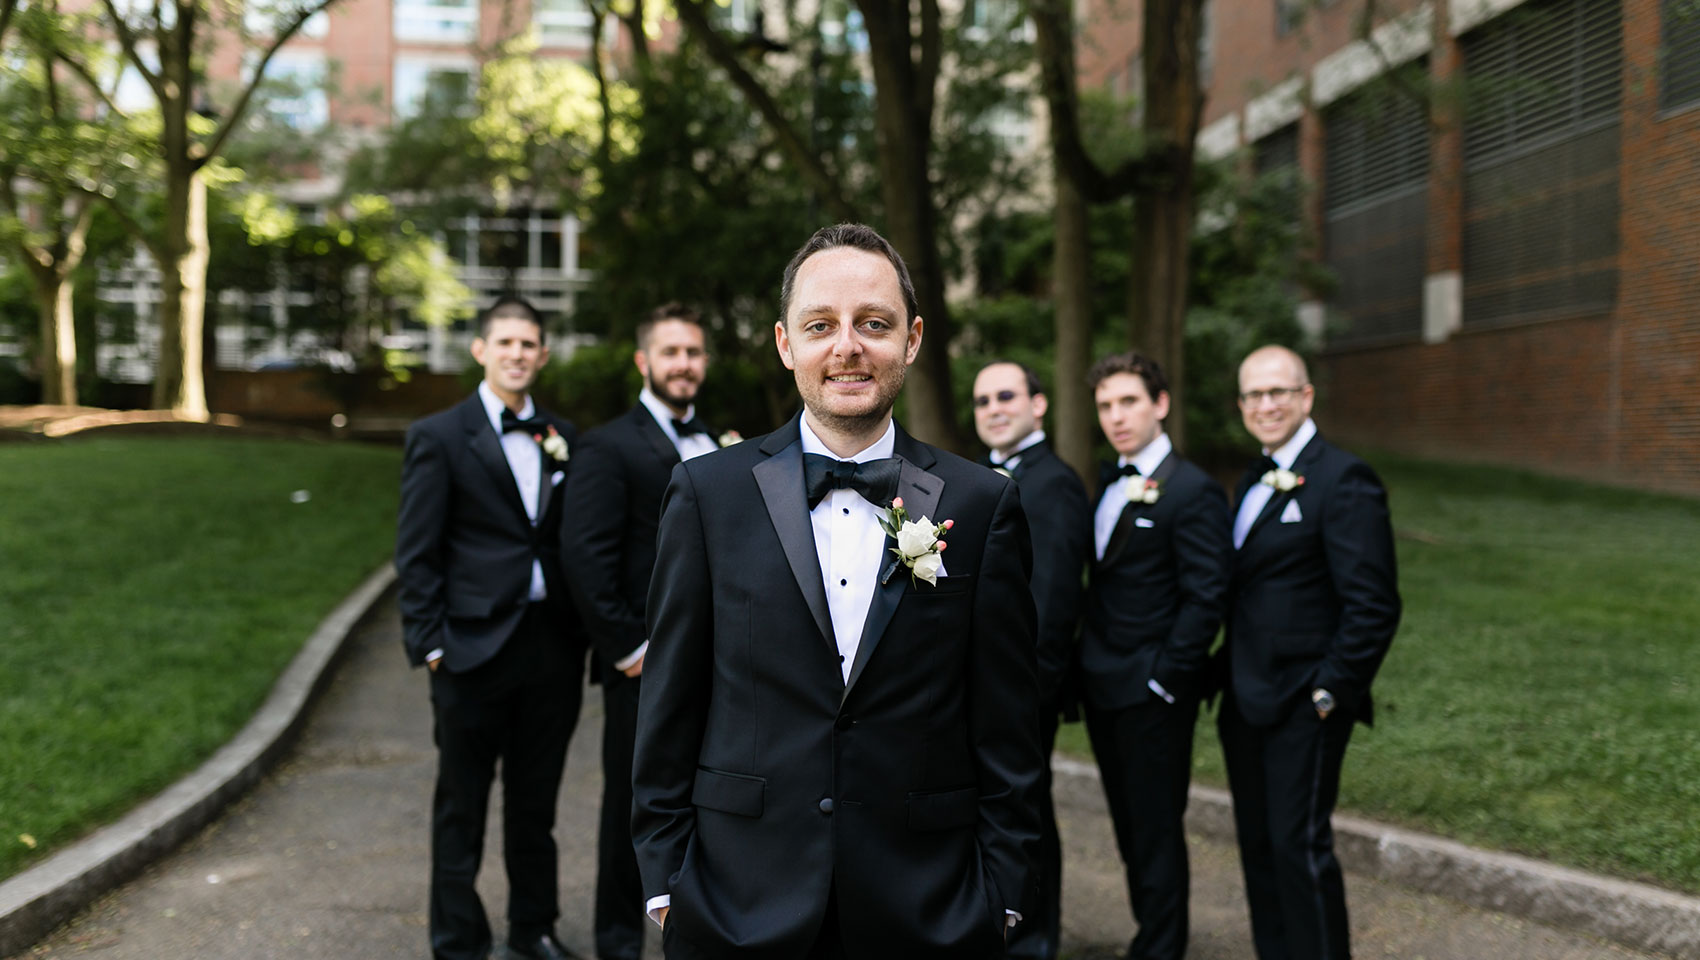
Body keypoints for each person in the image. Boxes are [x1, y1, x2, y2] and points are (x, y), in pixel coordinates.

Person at [631, 223, 1043, 959]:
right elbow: (669, 706)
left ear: (911, 340)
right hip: (736, 906)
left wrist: (1003, 896)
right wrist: (668, 886)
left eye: (873, 324)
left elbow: (1008, 727)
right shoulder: (706, 495)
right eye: (821, 325)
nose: (847, 346)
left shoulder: (981, 505)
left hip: (930, 912)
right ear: (787, 344)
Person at [394, 295, 586, 960]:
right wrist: (433, 644)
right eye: (505, 342)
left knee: (536, 810)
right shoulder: (439, 437)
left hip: (550, 651)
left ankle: (533, 930)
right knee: (462, 812)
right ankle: (458, 942)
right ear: (481, 350)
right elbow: (416, 554)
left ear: (542, 353)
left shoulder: (565, 436)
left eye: (529, 343)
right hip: (470, 652)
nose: (517, 353)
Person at [1217, 344, 1401, 960]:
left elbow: (1374, 605)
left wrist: (1329, 692)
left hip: (1305, 703)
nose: (1265, 405)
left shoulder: (1344, 478)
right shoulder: (1251, 478)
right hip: (1246, 701)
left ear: (1306, 397)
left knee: (1300, 850)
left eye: (1278, 392)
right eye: (1253, 395)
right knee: (1260, 850)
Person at [561, 302, 720, 960]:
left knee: (708, 800)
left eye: (693, 353)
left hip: (716, 665)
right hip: (645, 666)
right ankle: (619, 943)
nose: (683, 364)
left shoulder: (715, 442)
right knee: (633, 807)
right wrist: (630, 651)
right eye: (671, 352)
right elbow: (584, 557)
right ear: (643, 361)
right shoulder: (608, 445)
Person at [1078, 352, 1230, 960]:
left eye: (1129, 402)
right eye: (1106, 405)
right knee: (1128, 828)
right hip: (1103, 685)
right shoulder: (1106, 480)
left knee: (1157, 829)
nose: (1116, 416)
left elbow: (1208, 594)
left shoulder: (1191, 490)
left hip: (1153, 693)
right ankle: (1150, 934)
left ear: (1160, 405)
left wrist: (1166, 679)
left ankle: (1162, 947)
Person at [970, 360, 1091, 960]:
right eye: (982, 399)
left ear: (1038, 405)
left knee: (1026, 814)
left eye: (1006, 396)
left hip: (1024, 695)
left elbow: (1055, 602)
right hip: (983, 691)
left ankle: (1035, 941)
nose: (993, 408)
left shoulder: (1054, 483)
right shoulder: (985, 480)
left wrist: (1027, 699)